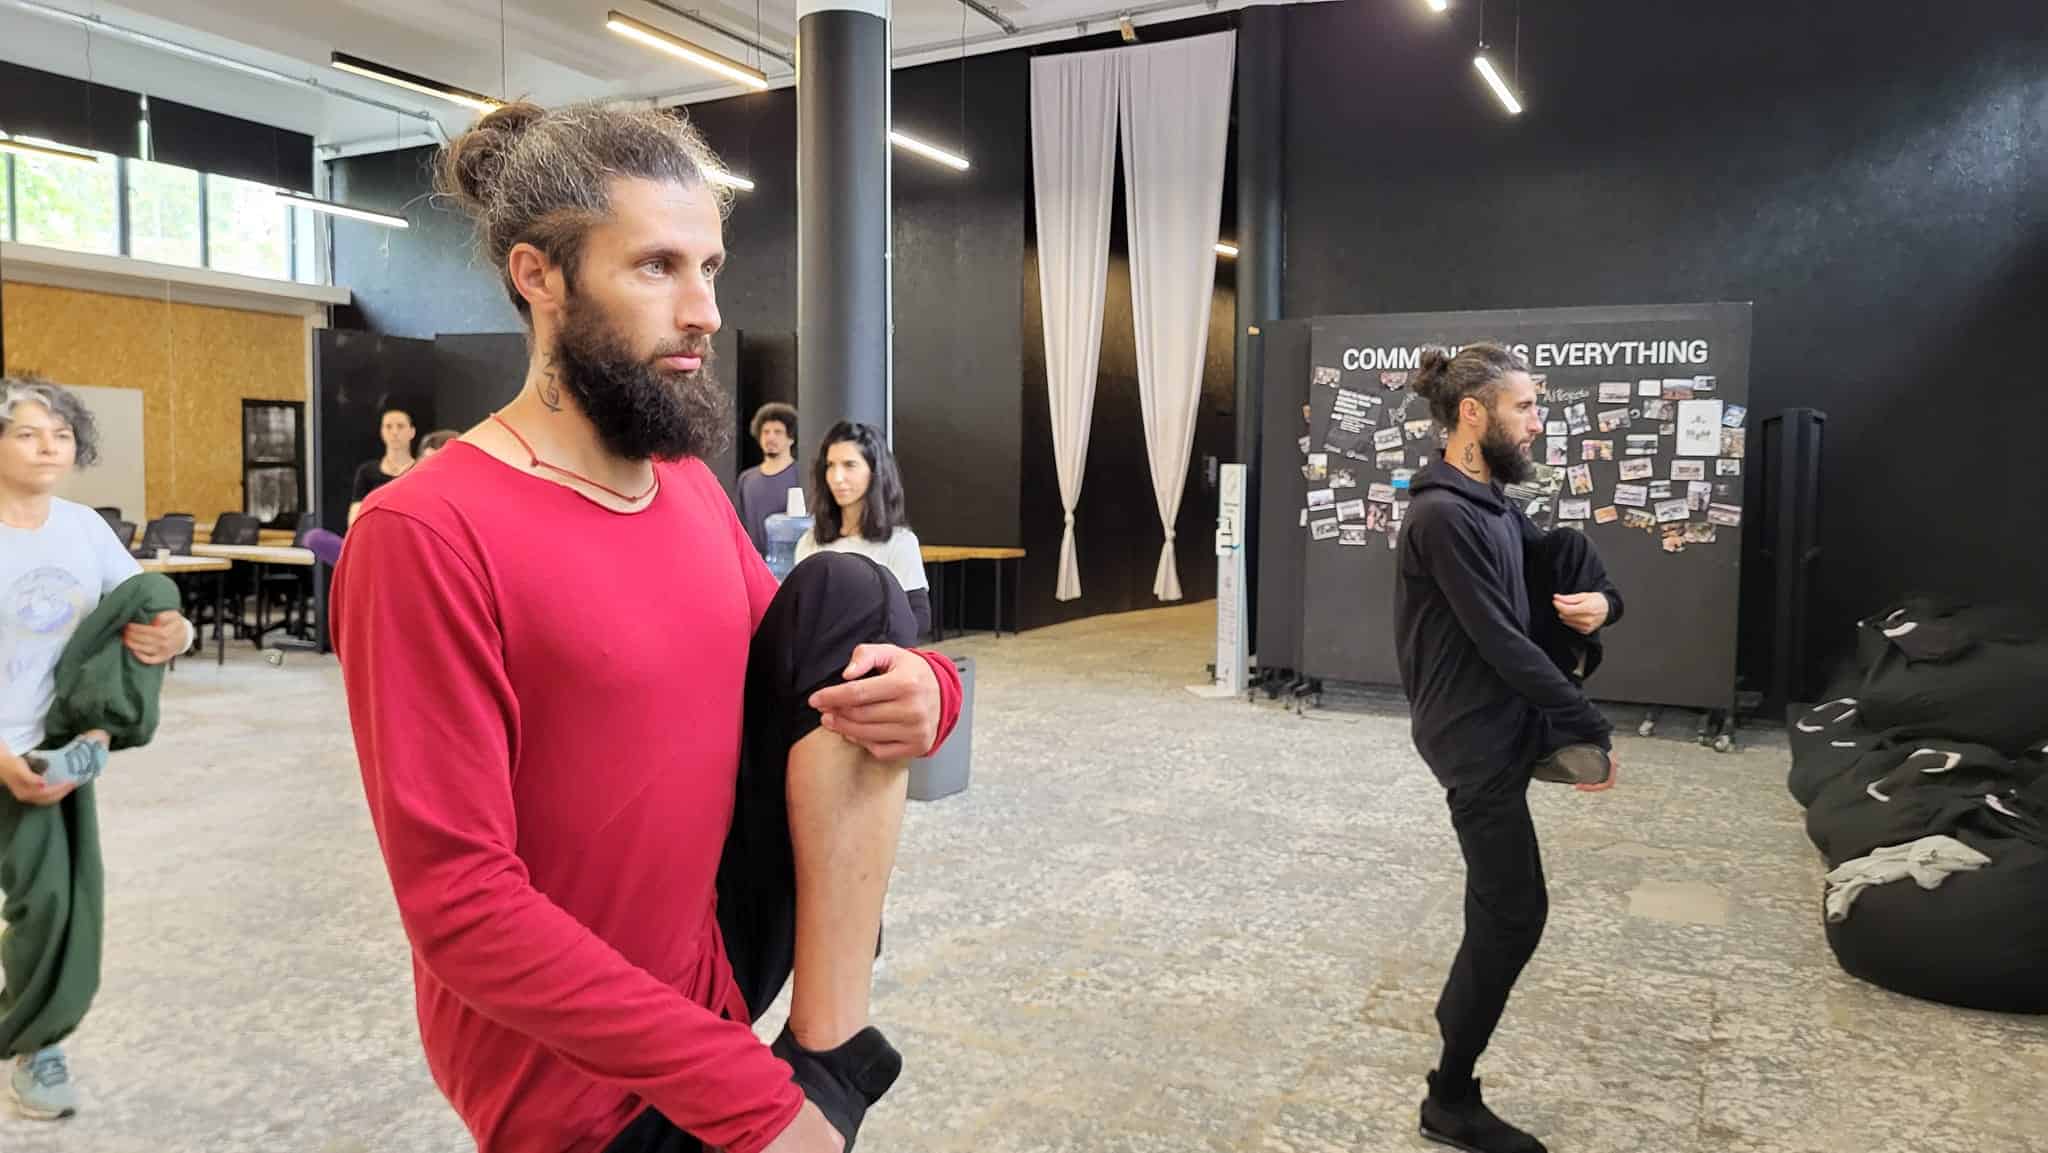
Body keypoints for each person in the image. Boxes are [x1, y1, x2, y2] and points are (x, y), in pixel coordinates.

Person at [332, 100, 962, 1153]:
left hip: (721, 950)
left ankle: (831, 1044)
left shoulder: (684, 487)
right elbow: (459, 906)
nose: (704, 309)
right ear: (540, 276)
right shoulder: (424, 532)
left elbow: (807, 662)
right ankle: (786, 1089)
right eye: (658, 267)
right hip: (574, 1077)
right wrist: (756, 1106)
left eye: (708, 267)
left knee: (847, 590)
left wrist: (927, 693)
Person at [1395, 344, 1619, 1153]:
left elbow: (1547, 568)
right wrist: (1587, 724)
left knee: (1566, 546)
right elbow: (1499, 640)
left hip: (1504, 712)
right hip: (1472, 734)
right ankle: (1449, 1098)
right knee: (1514, 910)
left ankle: (1547, 734)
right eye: (1524, 406)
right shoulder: (1442, 516)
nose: (1536, 421)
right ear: (1472, 414)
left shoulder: (1489, 501)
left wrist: (1604, 603)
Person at [0, 376, 189, 1121]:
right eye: (27, 434)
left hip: (53, 746)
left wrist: (176, 635)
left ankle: (36, 1043)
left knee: (53, 901)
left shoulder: (83, 527)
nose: (48, 448)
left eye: (61, 436)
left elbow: (143, 612)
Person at [794, 422, 931, 638]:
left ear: (874, 471)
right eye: (830, 465)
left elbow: (919, 619)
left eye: (849, 465)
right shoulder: (810, 541)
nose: (837, 477)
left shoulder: (899, 542)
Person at [735, 403, 802, 555]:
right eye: (766, 432)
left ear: (791, 438)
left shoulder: (801, 474)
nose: (770, 437)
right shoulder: (747, 479)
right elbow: (739, 526)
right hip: (753, 561)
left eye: (778, 432)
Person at [347, 403, 416, 527]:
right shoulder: (367, 471)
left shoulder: (420, 470)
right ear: (382, 431)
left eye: (400, 426)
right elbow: (354, 518)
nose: (394, 432)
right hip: (373, 531)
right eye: (388, 427)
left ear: (412, 432)